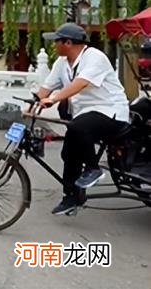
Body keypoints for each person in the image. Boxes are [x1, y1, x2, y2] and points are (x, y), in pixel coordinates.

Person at [37, 23, 130, 215]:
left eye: (57, 41)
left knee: (78, 126)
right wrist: (34, 103)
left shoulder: (95, 58)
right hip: (85, 116)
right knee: (69, 154)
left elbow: (80, 84)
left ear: (68, 42)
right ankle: (72, 197)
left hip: (111, 112)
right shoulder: (62, 63)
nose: (54, 46)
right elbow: (47, 87)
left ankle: (93, 169)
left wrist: (54, 99)